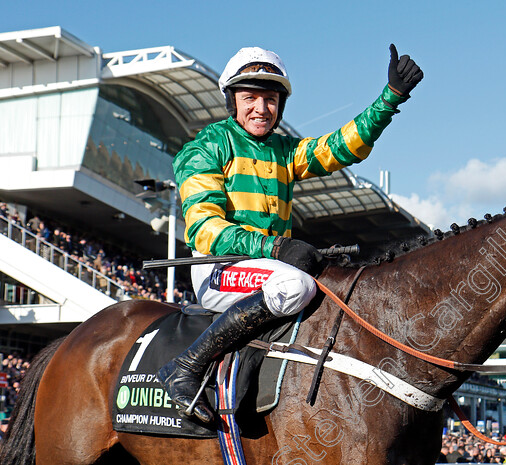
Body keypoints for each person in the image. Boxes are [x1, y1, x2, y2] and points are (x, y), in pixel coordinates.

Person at [157, 44, 423, 423]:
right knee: (294, 287)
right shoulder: (205, 148)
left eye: (270, 99)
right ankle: (186, 367)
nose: (261, 109)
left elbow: (339, 147)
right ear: (232, 101)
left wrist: (390, 98)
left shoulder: (284, 151)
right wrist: (276, 246)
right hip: (220, 268)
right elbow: (206, 229)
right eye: (250, 98)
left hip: (266, 267)